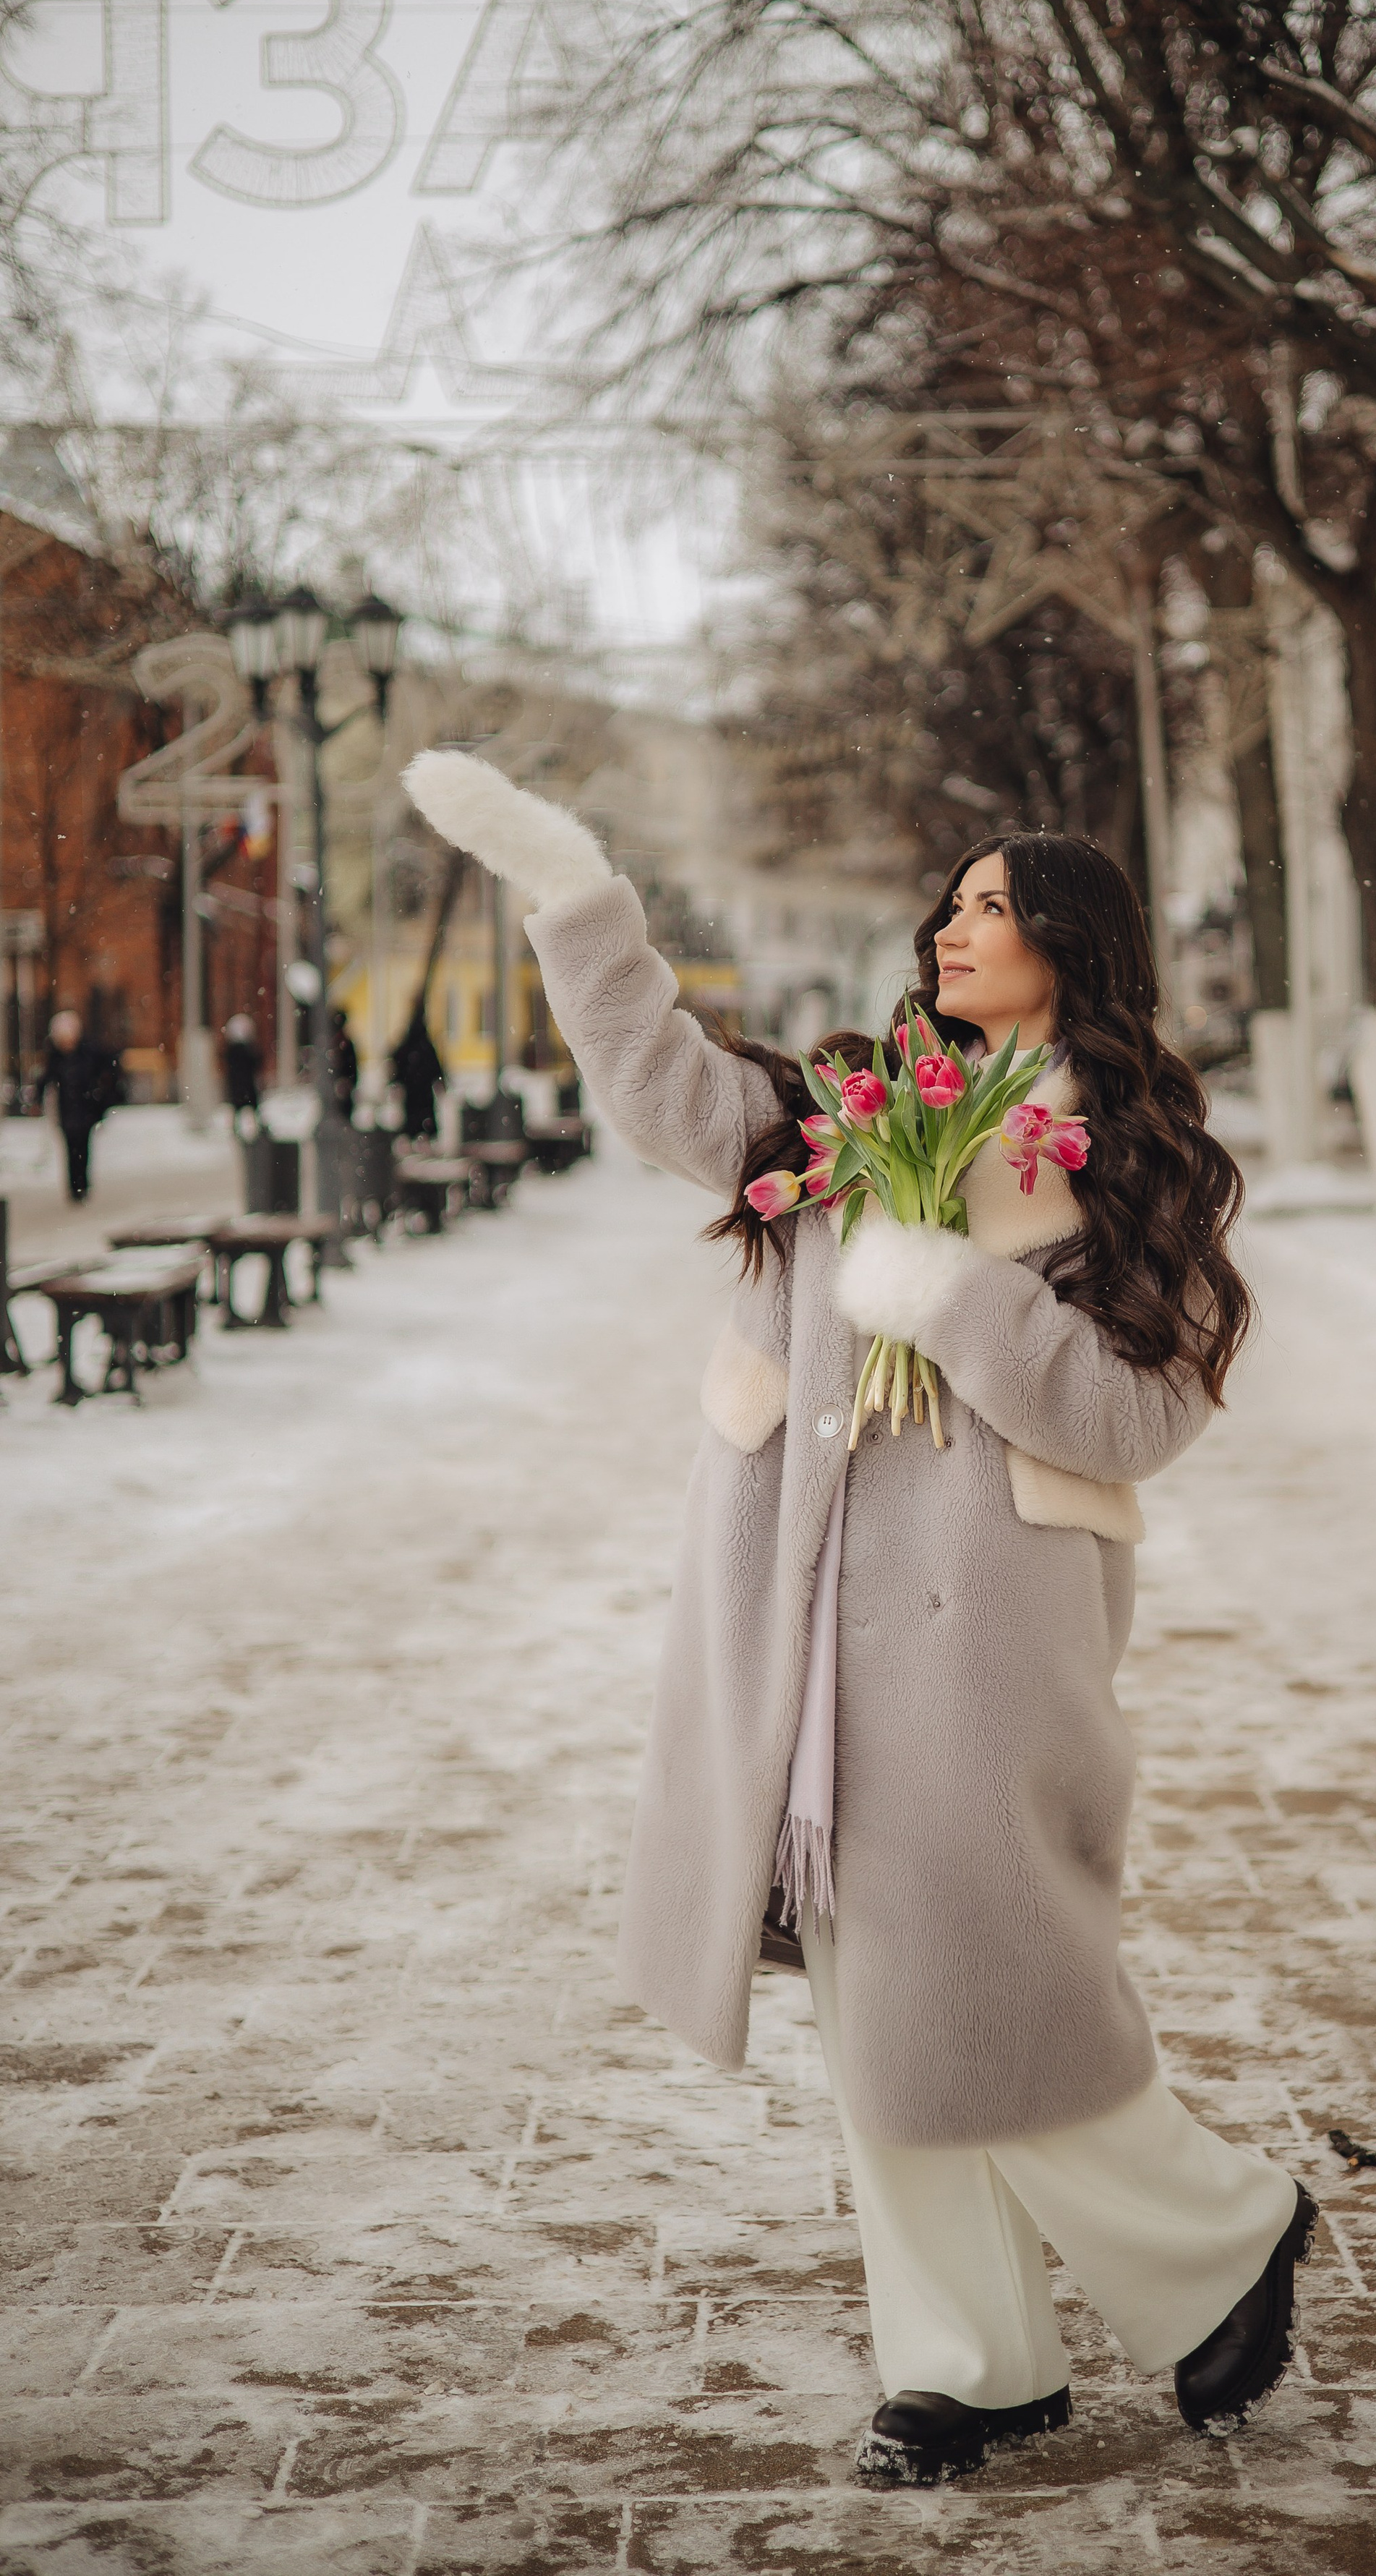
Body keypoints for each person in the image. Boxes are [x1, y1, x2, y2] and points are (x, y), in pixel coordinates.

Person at [404, 751, 1315, 2487]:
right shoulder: (849, 1108)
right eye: (951, 902)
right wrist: (571, 886)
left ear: (1072, 940)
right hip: (803, 1616)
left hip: (984, 1638)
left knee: (989, 1983)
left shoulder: (1128, 1155)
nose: (956, 925)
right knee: (869, 1987)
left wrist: (956, 1299)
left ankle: (1218, 2234)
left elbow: (1141, 1415)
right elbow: (667, 1085)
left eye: (993, 902)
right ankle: (967, 2357)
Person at [38, 1008, 121, 1204]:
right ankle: (74, 1188)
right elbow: (47, 1078)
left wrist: (103, 1092)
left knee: (83, 1147)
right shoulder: (57, 1058)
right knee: (70, 1148)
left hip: (86, 1108)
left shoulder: (89, 1053)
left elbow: (110, 1067)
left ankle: (82, 1184)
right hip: (67, 1111)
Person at [388, 1001, 445, 1140]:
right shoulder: (424, 1045)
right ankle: (423, 1133)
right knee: (422, 1113)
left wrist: (397, 1080)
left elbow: (398, 1061)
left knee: (415, 1114)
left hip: (414, 1088)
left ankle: (417, 1134)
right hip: (422, 1088)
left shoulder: (411, 1045)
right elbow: (435, 1066)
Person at [222, 1015, 262, 1119]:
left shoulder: (231, 1052)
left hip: (238, 1086)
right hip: (247, 1085)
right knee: (252, 1105)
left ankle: (238, 1126)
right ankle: (257, 1125)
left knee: (239, 1106)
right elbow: (256, 1063)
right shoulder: (246, 1051)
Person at [328, 1007, 360, 1122]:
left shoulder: (344, 1043)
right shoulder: (337, 1043)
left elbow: (352, 1066)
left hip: (344, 1085)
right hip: (339, 1085)